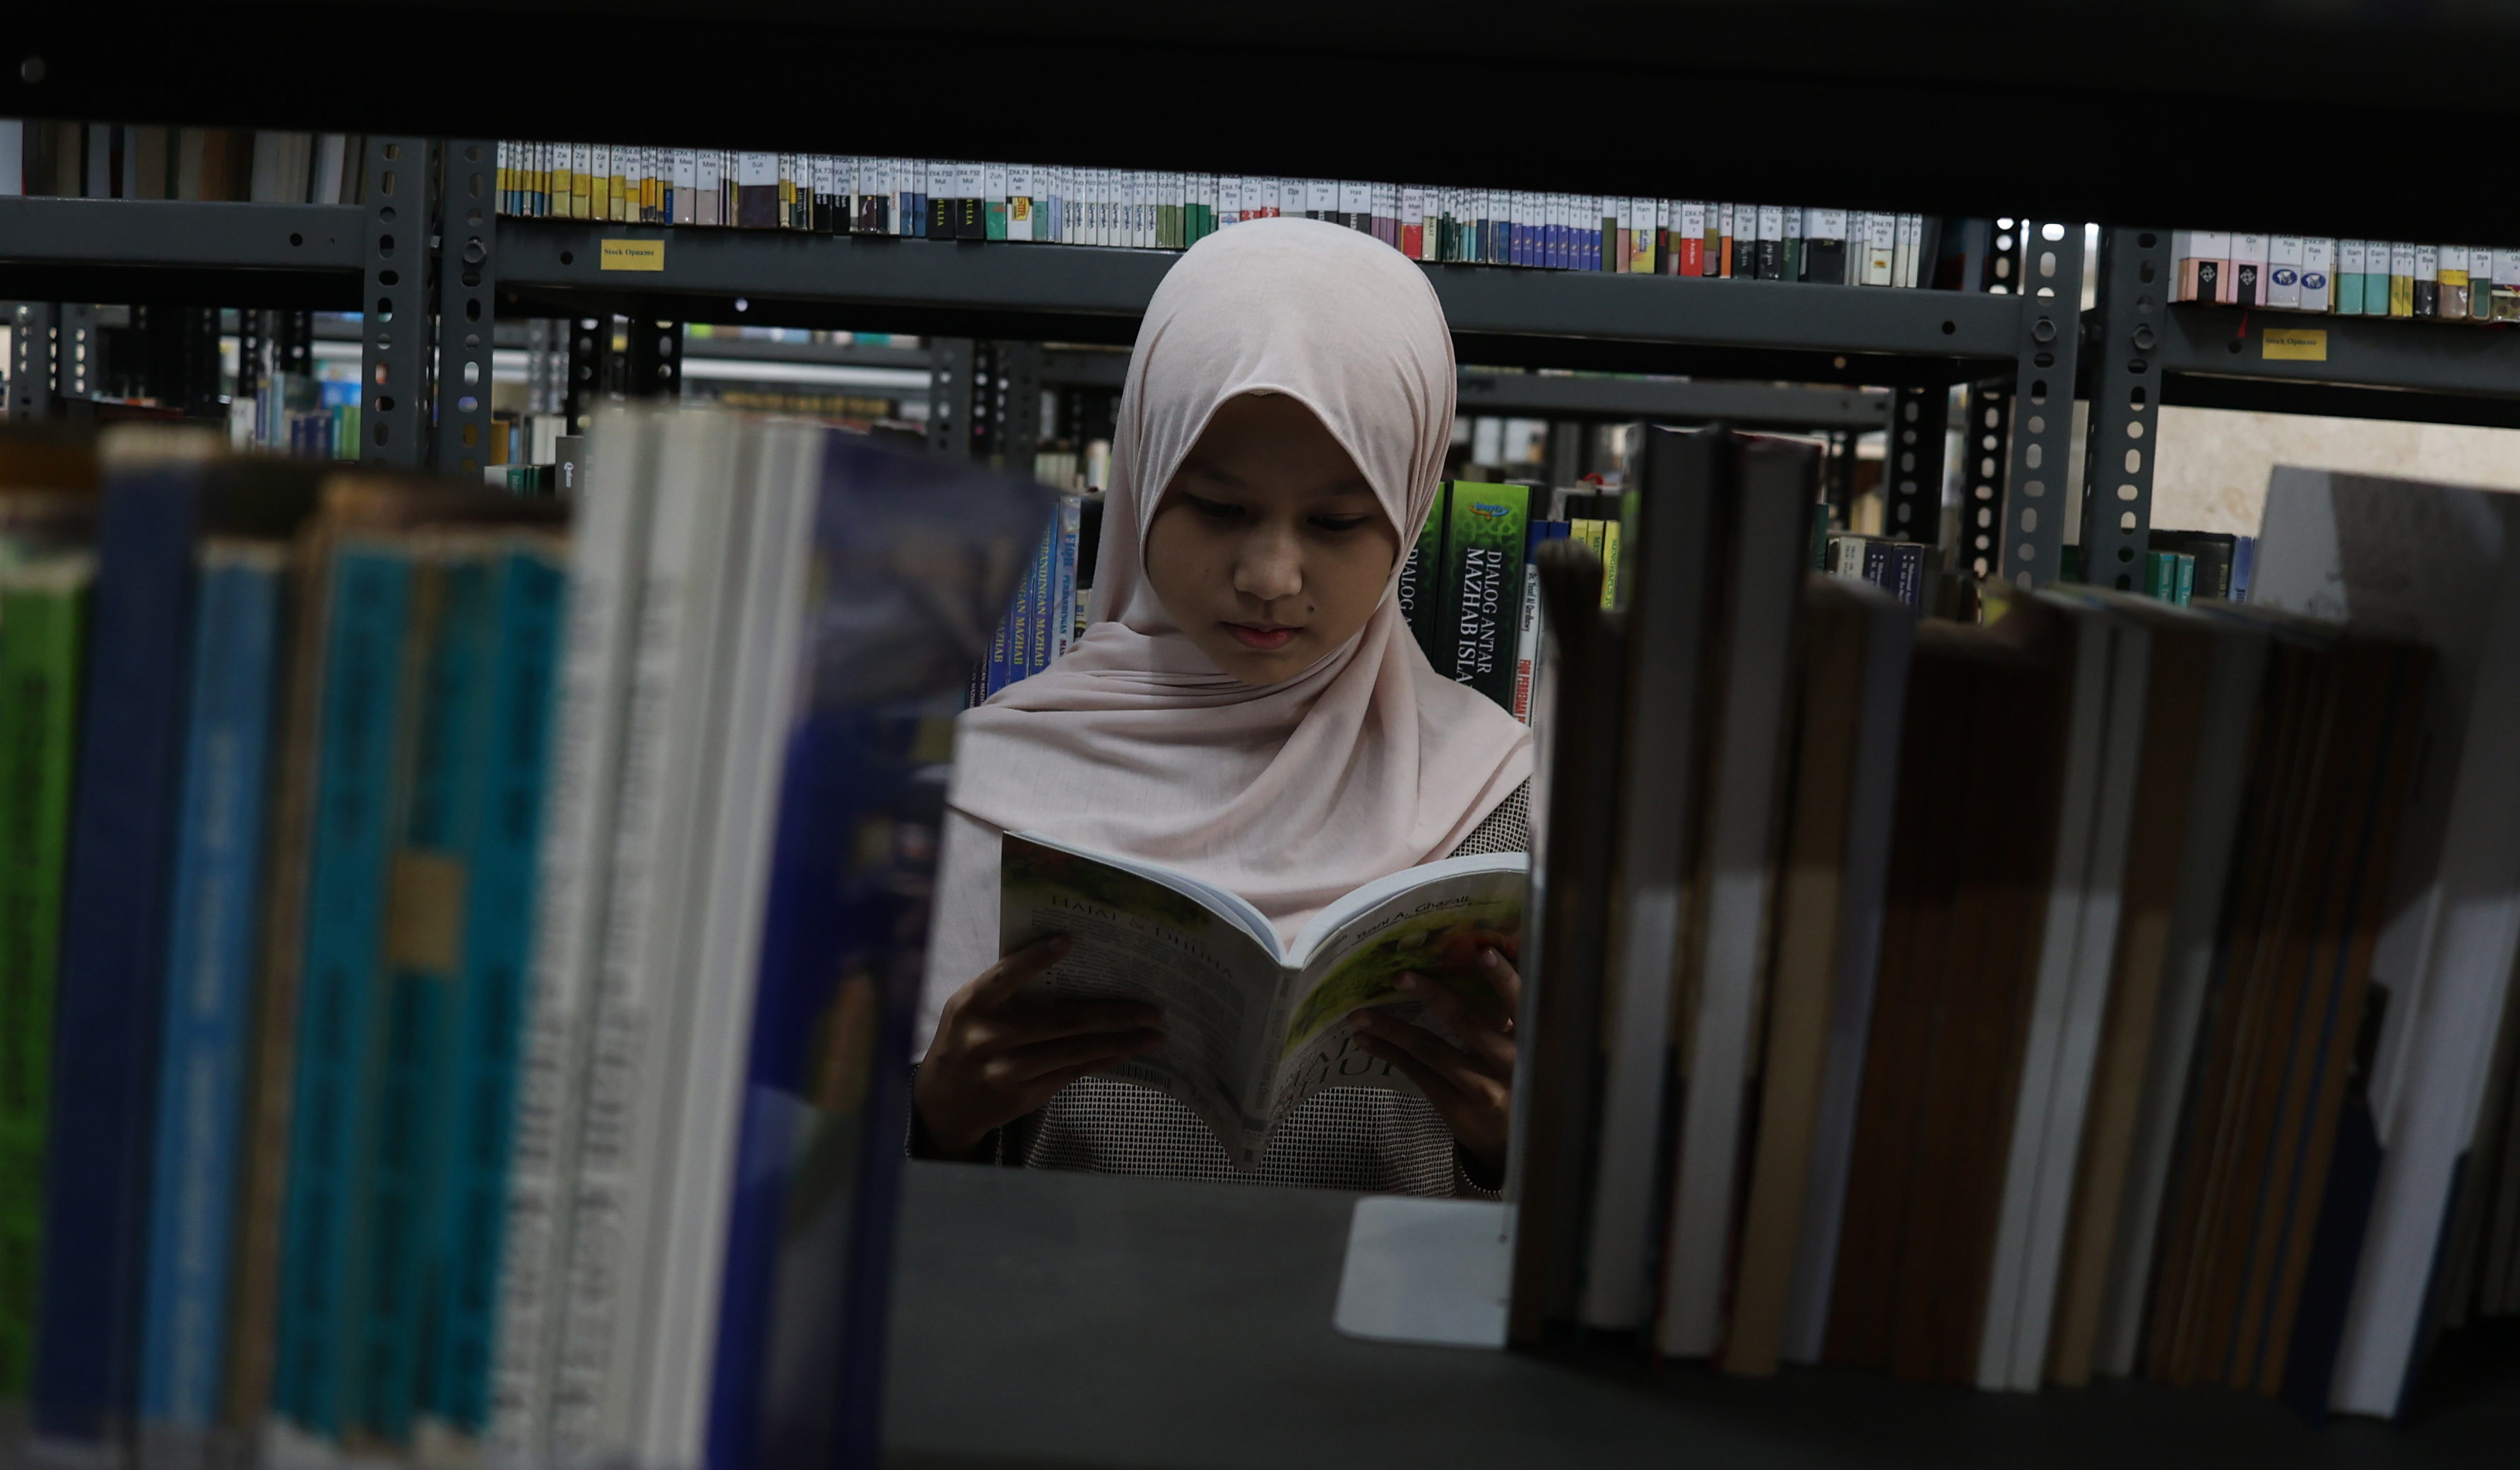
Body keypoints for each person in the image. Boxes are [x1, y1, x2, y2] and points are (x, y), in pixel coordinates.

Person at [911, 217, 1534, 1194]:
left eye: (1335, 520)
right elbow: (822, 1207)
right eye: (1219, 506)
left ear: (1410, 510)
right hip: (1051, 1298)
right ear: (1145, 477)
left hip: (1377, 1303)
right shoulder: (978, 787)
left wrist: (1509, 1146)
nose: (1270, 577)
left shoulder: (1501, 801)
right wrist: (935, 1122)